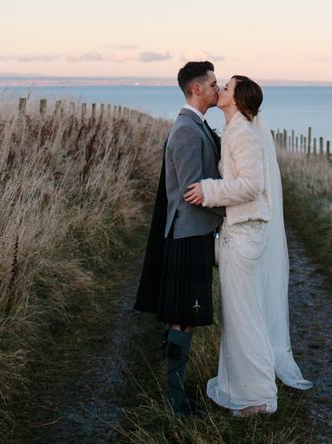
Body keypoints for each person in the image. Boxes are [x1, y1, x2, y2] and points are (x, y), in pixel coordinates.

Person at [184, 75, 311, 417]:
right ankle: (237, 388)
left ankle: (260, 398)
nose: (221, 88)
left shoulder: (242, 134)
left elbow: (252, 186)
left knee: (245, 317)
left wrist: (208, 191)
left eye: (228, 86)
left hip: (243, 236)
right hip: (237, 233)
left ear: (239, 99)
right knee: (238, 316)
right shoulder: (235, 131)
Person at [133, 61, 225, 416]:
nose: (219, 89)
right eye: (214, 83)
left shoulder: (194, 125)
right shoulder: (186, 130)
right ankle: (175, 402)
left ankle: (177, 396)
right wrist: (231, 211)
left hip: (192, 232)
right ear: (197, 89)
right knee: (183, 317)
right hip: (188, 234)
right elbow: (192, 190)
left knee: (184, 316)